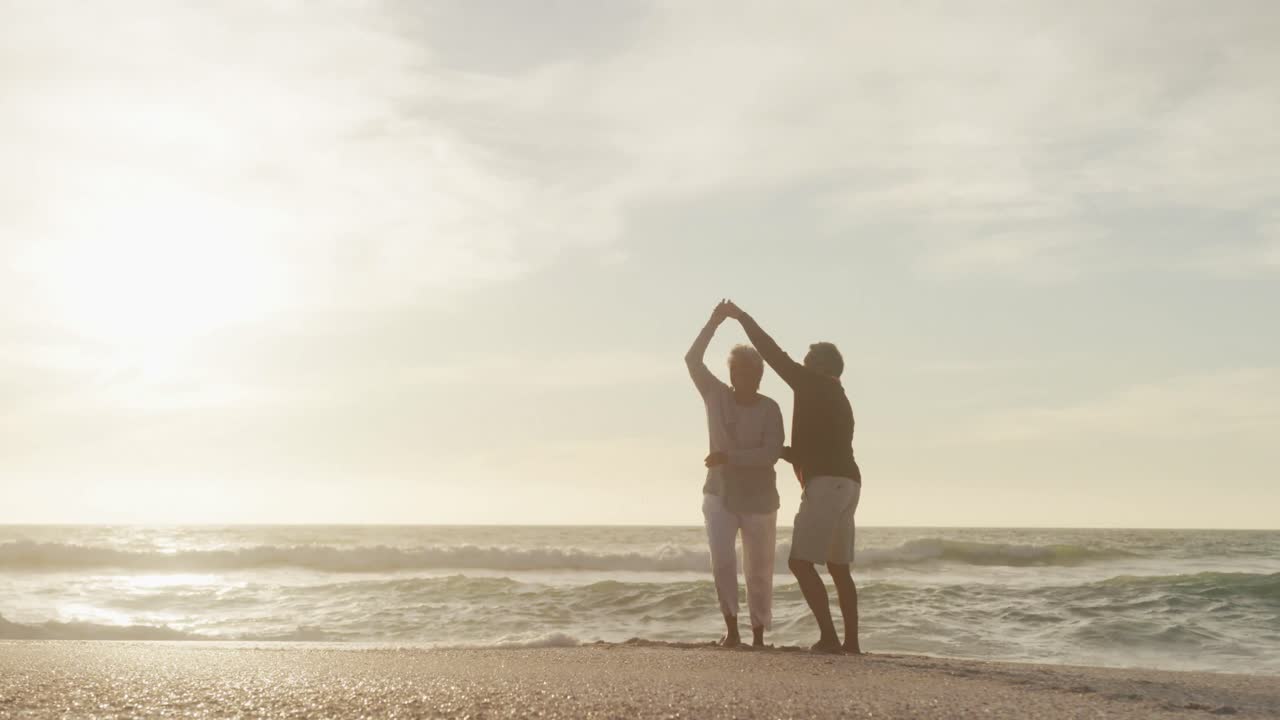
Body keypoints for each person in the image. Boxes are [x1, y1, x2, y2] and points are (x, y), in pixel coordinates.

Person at [720, 300, 862, 655]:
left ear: (820, 367)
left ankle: (829, 638)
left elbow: (771, 352)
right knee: (838, 567)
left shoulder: (812, 384)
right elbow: (816, 448)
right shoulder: (839, 398)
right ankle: (852, 643)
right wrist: (775, 450)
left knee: (800, 562)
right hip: (850, 483)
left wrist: (742, 318)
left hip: (826, 485)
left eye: (808, 361)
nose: (801, 364)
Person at [685, 301, 784, 648]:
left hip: (759, 499)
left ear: (758, 375)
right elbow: (692, 360)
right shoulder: (716, 395)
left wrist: (729, 456)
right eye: (736, 370)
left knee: (758, 570)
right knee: (723, 562)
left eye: (748, 371)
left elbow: (770, 453)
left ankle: (758, 633)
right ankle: (732, 628)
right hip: (719, 493)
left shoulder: (770, 408)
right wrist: (714, 321)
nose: (740, 376)